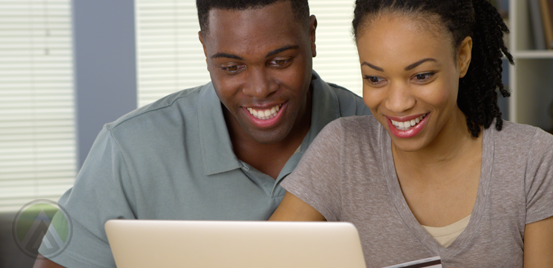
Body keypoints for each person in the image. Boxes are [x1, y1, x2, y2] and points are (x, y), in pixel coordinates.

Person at [33, 0, 370, 267]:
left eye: (280, 61)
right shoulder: (129, 150)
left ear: (311, 37)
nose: (259, 89)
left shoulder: (379, 131)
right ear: (204, 47)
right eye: (231, 67)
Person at [270, 0, 553, 267]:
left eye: (422, 75)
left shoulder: (533, 160)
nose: (397, 104)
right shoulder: (342, 149)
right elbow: (261, 256)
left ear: (462, 56)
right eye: (375, 79)